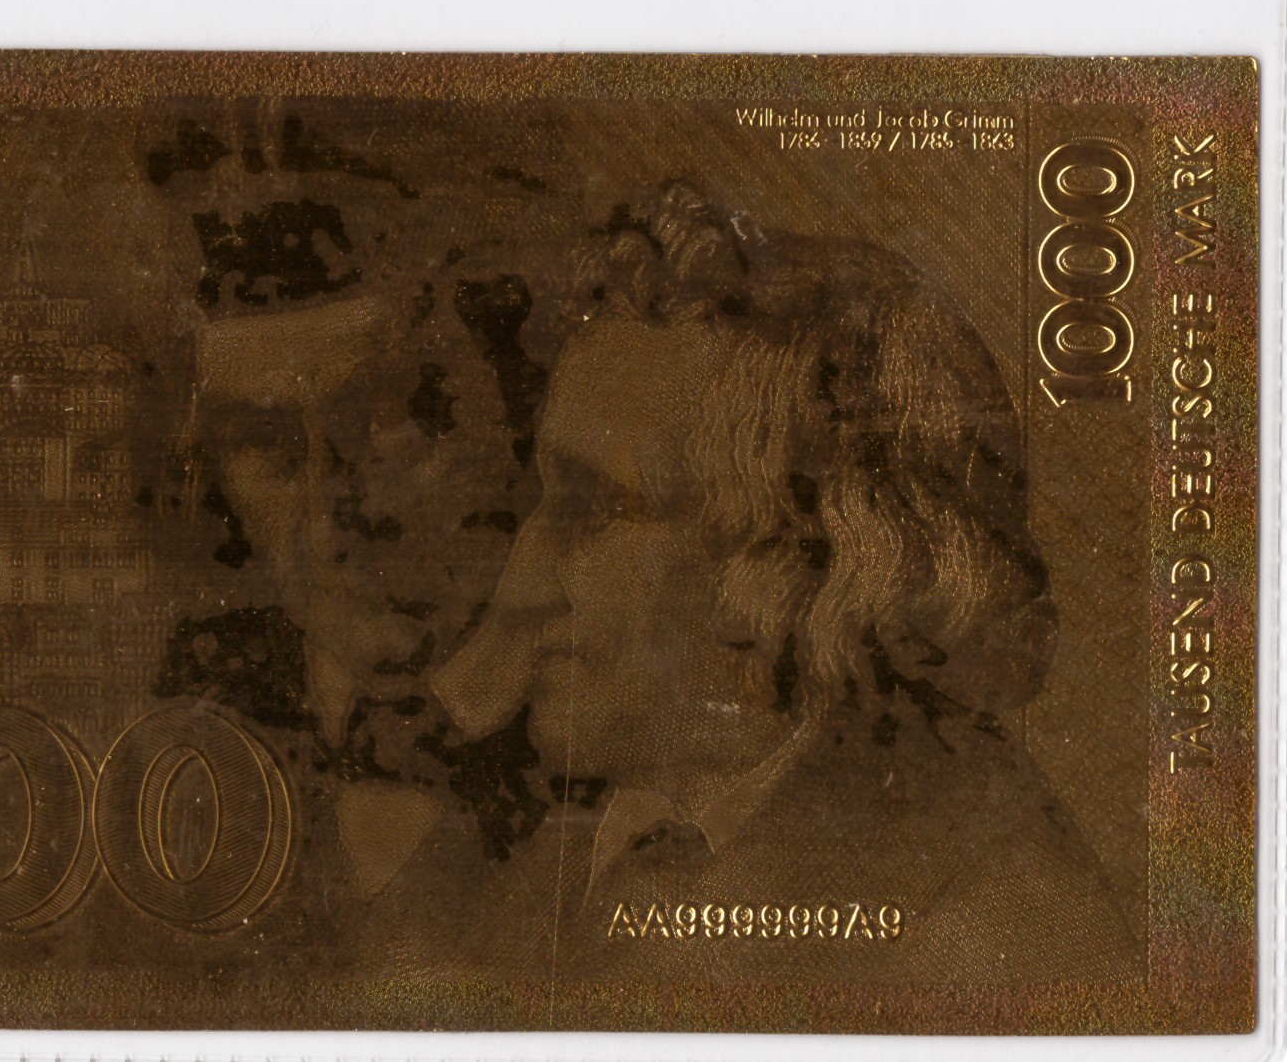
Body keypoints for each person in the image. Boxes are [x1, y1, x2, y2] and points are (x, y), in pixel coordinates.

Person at [429, 182, 1136, 982]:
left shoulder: (990, 937)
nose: (517, 588)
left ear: (791, 558)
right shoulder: (543, 858)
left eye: (591, 509)